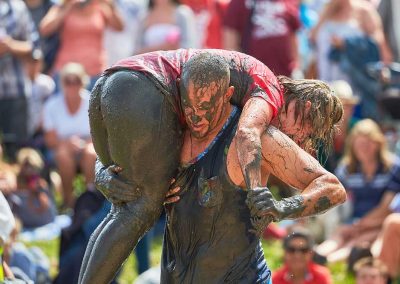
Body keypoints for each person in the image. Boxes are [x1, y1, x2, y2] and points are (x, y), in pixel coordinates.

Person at [78, 49, 344, 283]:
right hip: (127, 85)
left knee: (135, 210)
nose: (298, 140)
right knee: (133, 208)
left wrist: (279, 207)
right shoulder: (179, 122)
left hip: (241, 276)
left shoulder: (267, 140)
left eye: (305, 139)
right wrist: (103, 172)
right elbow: (246, 132)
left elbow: (332, 187)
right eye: (304, 133)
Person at [316, 119, 400, 263]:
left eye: (368, 143)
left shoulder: (392, 168)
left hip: (380, 221)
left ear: (378, 143)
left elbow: (386, 208)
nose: (364, 148)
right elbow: (335, 196)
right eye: (360, 144)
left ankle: (331, 262)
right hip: (354, 220)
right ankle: (317, 256)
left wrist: (361, 225)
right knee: (339, 235)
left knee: (360, 239)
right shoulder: (347, 169)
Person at [43, 62, 96, 208]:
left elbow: (99, 135)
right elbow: (50, 139)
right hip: (61, 148)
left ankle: (90, 202)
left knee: (91, 154)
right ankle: (69, 203)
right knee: (63, 156)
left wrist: (83, 144)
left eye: (77, 80)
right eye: (68, 81)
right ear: (62, 83)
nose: (72, 85)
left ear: (83, 82)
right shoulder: (52, 105)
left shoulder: (92, 102)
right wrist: (68, 144)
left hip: (87, 146)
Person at [39, 0, 124, 90]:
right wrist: (66, 6)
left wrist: (108, 4)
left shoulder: (100, 7)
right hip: (67, 74)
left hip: (95, 72)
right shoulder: (65, 5)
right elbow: (44, 29)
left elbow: (119, 26)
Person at [0, 0, 41, 161]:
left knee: (19, 152)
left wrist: (9, 46)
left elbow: (34, 47)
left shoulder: (18, 7)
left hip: (15, 91)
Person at [223, 0, 301, 77]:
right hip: (253, 77)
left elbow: (292, 36)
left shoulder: (287, 2)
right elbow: (230, 43)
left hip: (285, 74)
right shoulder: (239, 2)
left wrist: (296, 67)